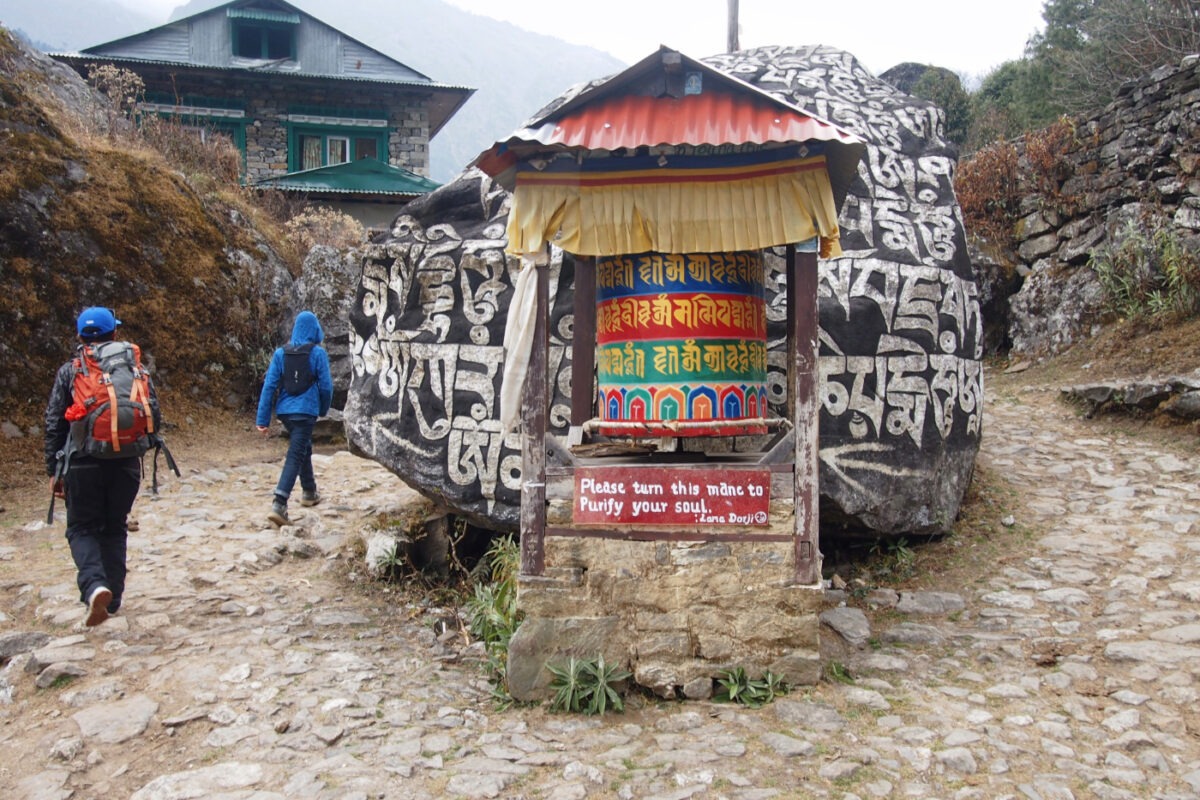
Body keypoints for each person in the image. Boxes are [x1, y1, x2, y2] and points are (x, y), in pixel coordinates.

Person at [44, 307, 161, 627]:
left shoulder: (71, 371)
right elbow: (154, 413)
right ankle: (114, 598)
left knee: (81, 528)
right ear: (114, 334)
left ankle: (95, 586)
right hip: (126, 462)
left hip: (82, 463)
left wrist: (52, 470)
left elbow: (54, 421)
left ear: (81, 337)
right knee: (114, 526)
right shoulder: (134, 369)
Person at [255, 310, 333, 527]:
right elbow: (326, 386)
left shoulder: (281, 354)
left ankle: (309, 491)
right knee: (296, 453)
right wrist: (324, 408)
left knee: (302, 446)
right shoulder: (317, 354)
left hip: (286, 412)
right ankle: (279, 502)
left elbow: (269, 386)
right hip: (306, 411)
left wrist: (262, 418)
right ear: (315, 330)